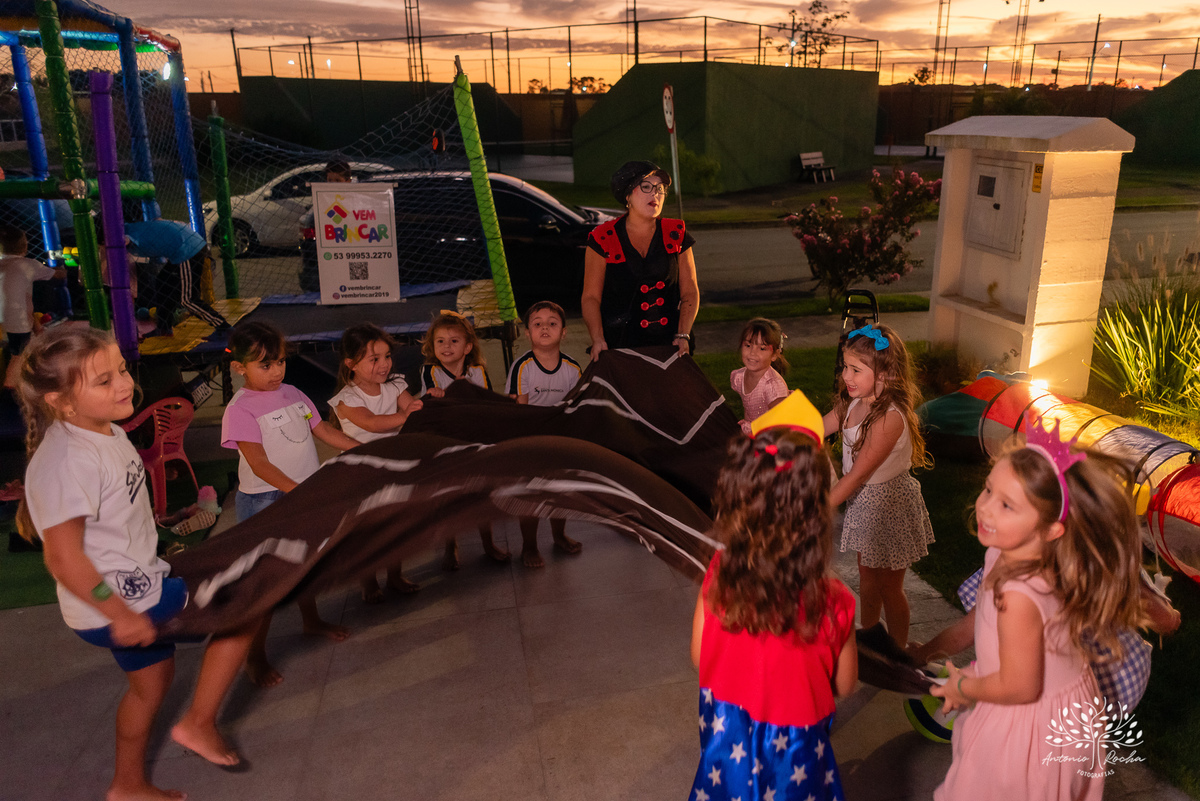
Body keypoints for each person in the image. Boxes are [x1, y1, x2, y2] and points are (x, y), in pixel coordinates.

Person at [16, 326, 257, 801]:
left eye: (121, 370)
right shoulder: (68, 460)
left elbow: (111, 516)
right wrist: (120, 613)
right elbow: (63, 559)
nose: (124, 384)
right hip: (121, 602)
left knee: (151, 689)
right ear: (61, 401)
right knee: (247, 606)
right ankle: (199, 724)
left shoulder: (103, 428)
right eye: (103, 381)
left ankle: (127, 785)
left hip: (122, 592)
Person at [928, 421, 1152, 801]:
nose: (984, 507)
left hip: (1032, 728)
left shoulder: (1019, 596)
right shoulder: (1012, 553)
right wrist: (936, 651)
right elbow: (989, 633)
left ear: (1051, 530)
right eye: (988, 489)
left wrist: (963, 687)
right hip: (1059, 713)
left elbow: (1019, 685)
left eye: (1006, 505)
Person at [690, 391, 857, 801]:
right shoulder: (836, 600)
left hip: (726, 727)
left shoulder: (720, 572)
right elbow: (847, 684)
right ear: (818, 509)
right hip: (797, 749)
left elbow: (699, 655)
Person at [221, 321, 362, 687]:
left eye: (280, 362)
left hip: (301, 491)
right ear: (240, 368)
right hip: (266, 500)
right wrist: (296, 491)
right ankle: (255, 656)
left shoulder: (295, 393)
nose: (276, 371)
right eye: (264, 365)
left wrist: (363, 449)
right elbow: (259, 463)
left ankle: (311, 619)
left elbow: (324, 431)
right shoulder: (240, 409)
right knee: (267, 583)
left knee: (306, 562)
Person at [821, 322, 933, 650]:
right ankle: (871, 641)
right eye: (845, 366)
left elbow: (855, 476)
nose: (846, 376)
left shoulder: (889, 418)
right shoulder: (852, 404)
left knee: (888, 588)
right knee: (868, 584)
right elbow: (814, 426)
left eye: (856, 369)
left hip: (889, 506)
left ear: (887, 374)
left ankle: (897, 650)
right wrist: (765, 428)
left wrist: (817, 509)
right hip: (865, 504)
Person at [330, 323, 424, 599]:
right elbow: (372, 423)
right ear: (351, 364)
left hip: (393, 464)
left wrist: (420, 406)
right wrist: (406, 417)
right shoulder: (346, 398)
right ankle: (368, 583)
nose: (384, 364)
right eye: (374, 359)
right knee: (367, 531)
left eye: (387, 356)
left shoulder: (395, 384)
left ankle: (395, 575)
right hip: (361, 473)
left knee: (396, 524)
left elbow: (411, 406)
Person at [417, 311, 510, 568]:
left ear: (468, 346)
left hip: (473, 439)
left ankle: (488, 542)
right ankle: (451, 544)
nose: (447, 346)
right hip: (444, 442)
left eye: (454, 341)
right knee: (448, 497)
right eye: (441, 341)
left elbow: (486, 404)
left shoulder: (478, 372)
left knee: (481, 493)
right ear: (432, 346)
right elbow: (438, 401)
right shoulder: (429, 372)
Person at [581, 160, 699, 360]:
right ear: (627, 195)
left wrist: (683, 334)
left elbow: (690, 292)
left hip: (671, 345)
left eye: (660, 189)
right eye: (646, 187)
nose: (656, 194)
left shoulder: (675, 233)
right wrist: (598, 338)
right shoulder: (603, 238)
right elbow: (591, 297)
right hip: (620, 345)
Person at [505, 300, 584, 567]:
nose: (545, 328)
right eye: (537, 324)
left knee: (559, 491)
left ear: (563, 332)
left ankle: (559, 535)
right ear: (527, 333)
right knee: (532, 495)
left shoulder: (573, 369)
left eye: (552, 323)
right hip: (529, 439)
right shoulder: (522, 367)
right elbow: (519, 411)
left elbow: (577, 407)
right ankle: (528, 546)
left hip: (560, 438)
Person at [124, 218, 230, 338]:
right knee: (162, 282)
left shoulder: (128, 236)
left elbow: (127, 240)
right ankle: (164, 328)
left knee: (188, 299)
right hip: (187, 246)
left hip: (187, 251)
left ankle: (224, 327)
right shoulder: (129, 227)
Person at [1, 225, 64, 356]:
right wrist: (63, 265)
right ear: (25, 246)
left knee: (22, 297)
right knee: (19, 356)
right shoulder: (29, 264)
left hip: (3, 325)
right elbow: (59, 275)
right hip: (18, 326)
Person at [731, 317, 790, 435]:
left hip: (769, 438)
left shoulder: (773, 387)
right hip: (751, 433)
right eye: (748, 345)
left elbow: (780, 425)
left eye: (762, 348)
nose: (753, 353)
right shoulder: (739, 377)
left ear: (774, 355)